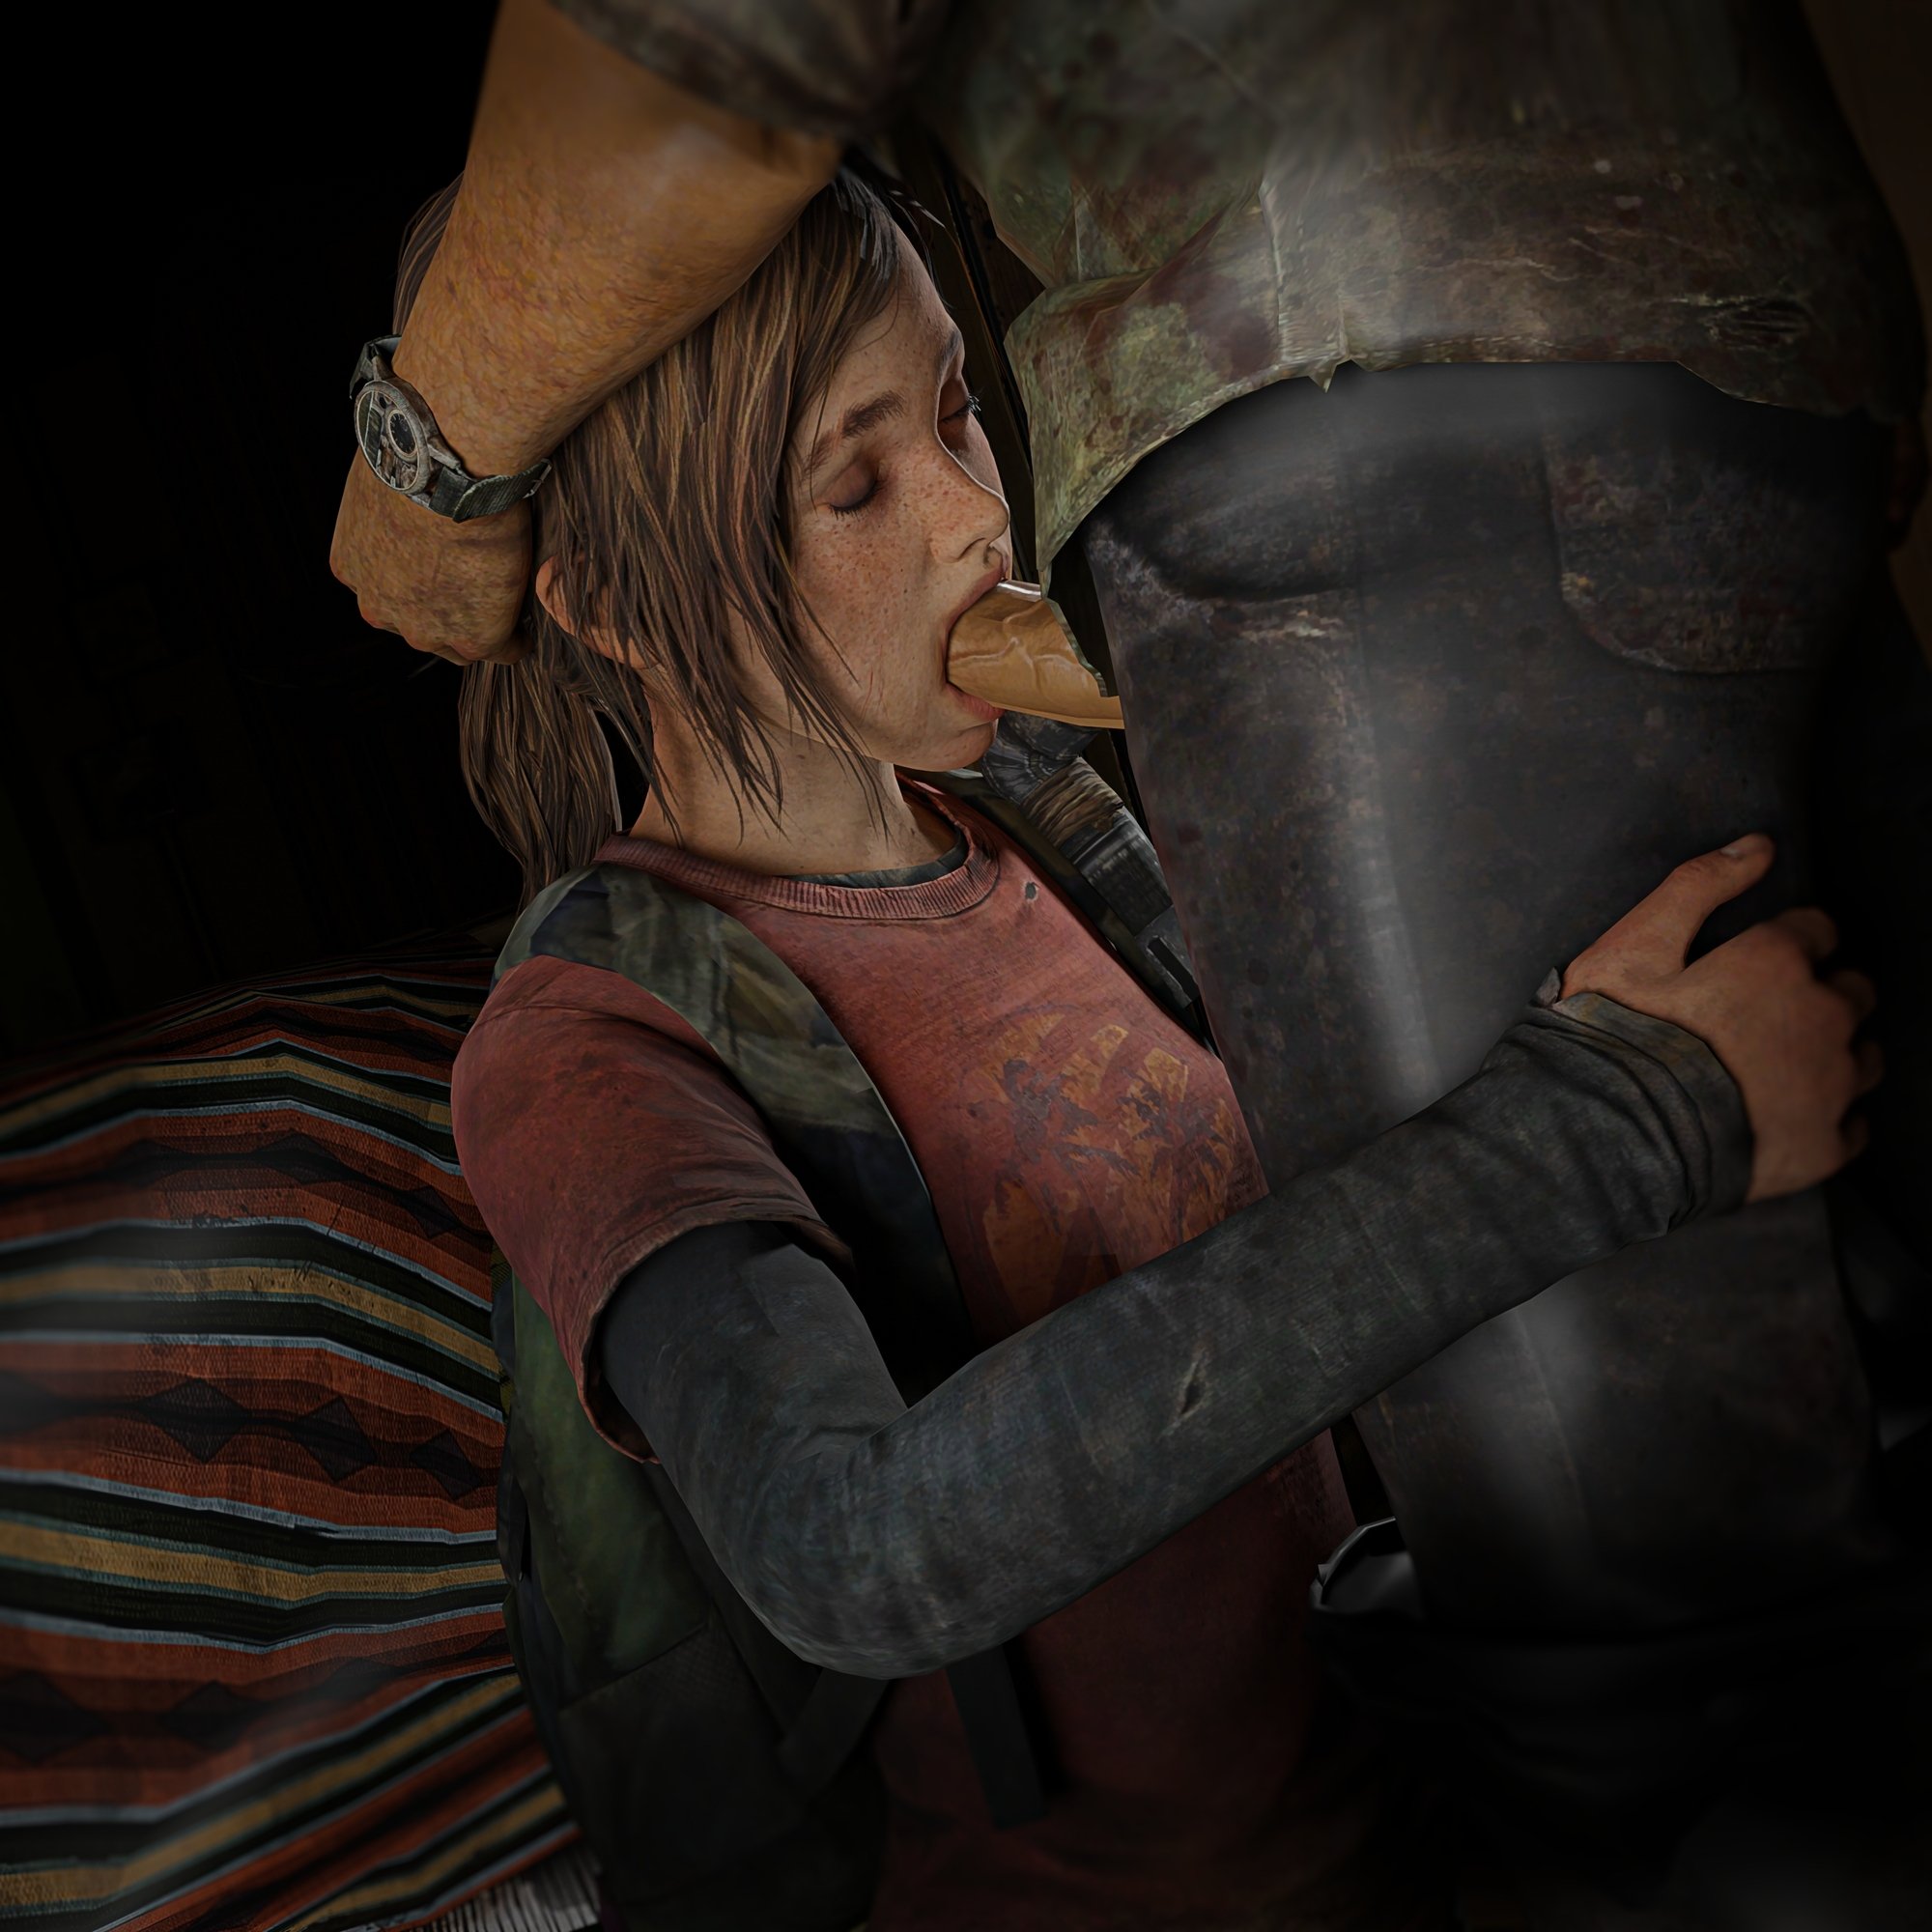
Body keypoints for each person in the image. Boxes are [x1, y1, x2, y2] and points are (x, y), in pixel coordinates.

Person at [440, 165, 1879, 1931]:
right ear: (608, 600)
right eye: (853, 483)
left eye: (956, 410)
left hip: (1430, 1832)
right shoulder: (584, 1039)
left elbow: (1337, 1245)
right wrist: (1616, 1122)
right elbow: (852, 1550)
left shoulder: (1051, 819)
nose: (979, 517)